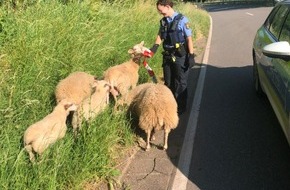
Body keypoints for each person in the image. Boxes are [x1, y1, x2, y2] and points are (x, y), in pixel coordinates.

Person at [148, 0, 195, 114]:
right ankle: (170, 105)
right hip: (168, 56)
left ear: (168, 7)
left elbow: (189, 39)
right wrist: (153, 49)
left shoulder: (182, 20)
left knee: (180, 82)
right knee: (168, 83)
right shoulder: (164, 21)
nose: (160, 13)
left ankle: (180, 107)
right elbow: (160, 35)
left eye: (161, 10)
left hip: (180, 56)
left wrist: (191, 55)